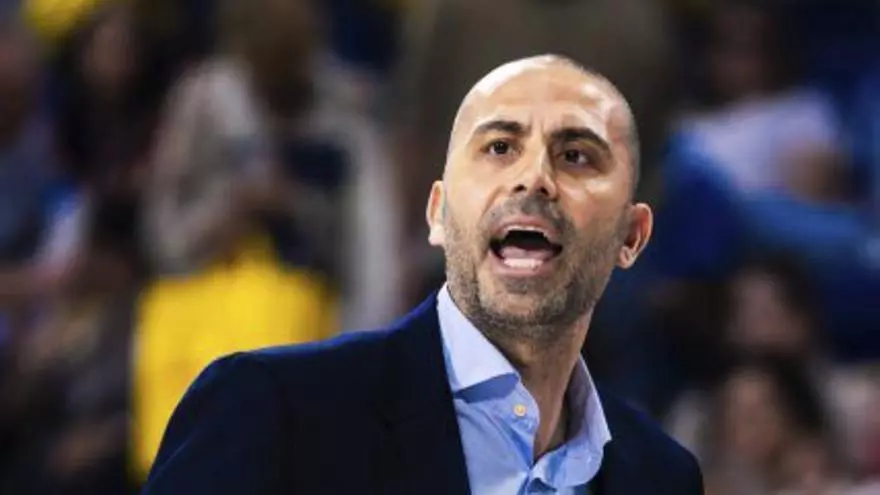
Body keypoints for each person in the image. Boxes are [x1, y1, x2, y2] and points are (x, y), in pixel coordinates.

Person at [141, 55, 703, 494]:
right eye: (500, 147)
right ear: (438, 214)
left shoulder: (662, 476)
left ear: (632, 236)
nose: (533, 178)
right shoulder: (270, 410)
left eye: (576, 155)